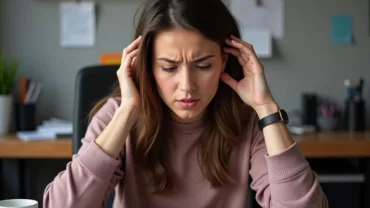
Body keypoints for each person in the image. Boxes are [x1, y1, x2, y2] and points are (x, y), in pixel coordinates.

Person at [43, 0, 328, 207]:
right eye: (168, 68)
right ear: (148, 68)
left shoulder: (250, 122)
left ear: (224, 61)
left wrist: (266, 107)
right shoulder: (116, 117)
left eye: (203, 65)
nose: (187, 86)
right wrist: (127, 113)